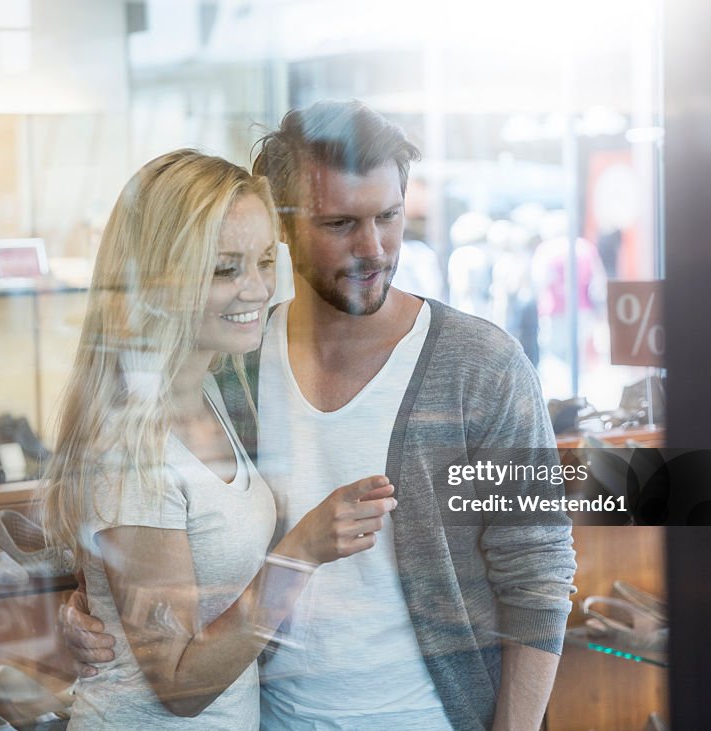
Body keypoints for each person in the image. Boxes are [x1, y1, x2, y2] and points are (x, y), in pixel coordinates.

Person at [63, 103, 577, 731]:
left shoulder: (482, 367)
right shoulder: (234, 367)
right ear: (282, 225)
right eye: (339, 223)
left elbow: (538, 577)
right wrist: (99, 606)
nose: (373, 248)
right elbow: (165, 541)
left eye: (388, 217)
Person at [41, 149, 397, 730]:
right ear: (157, 279)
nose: (257, 290)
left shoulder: (215, 388)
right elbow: (181, 685)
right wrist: (300, 553)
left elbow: (124, 579)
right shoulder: (132, 443)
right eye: (224, 269)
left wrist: (94, 596)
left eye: (262, 261)